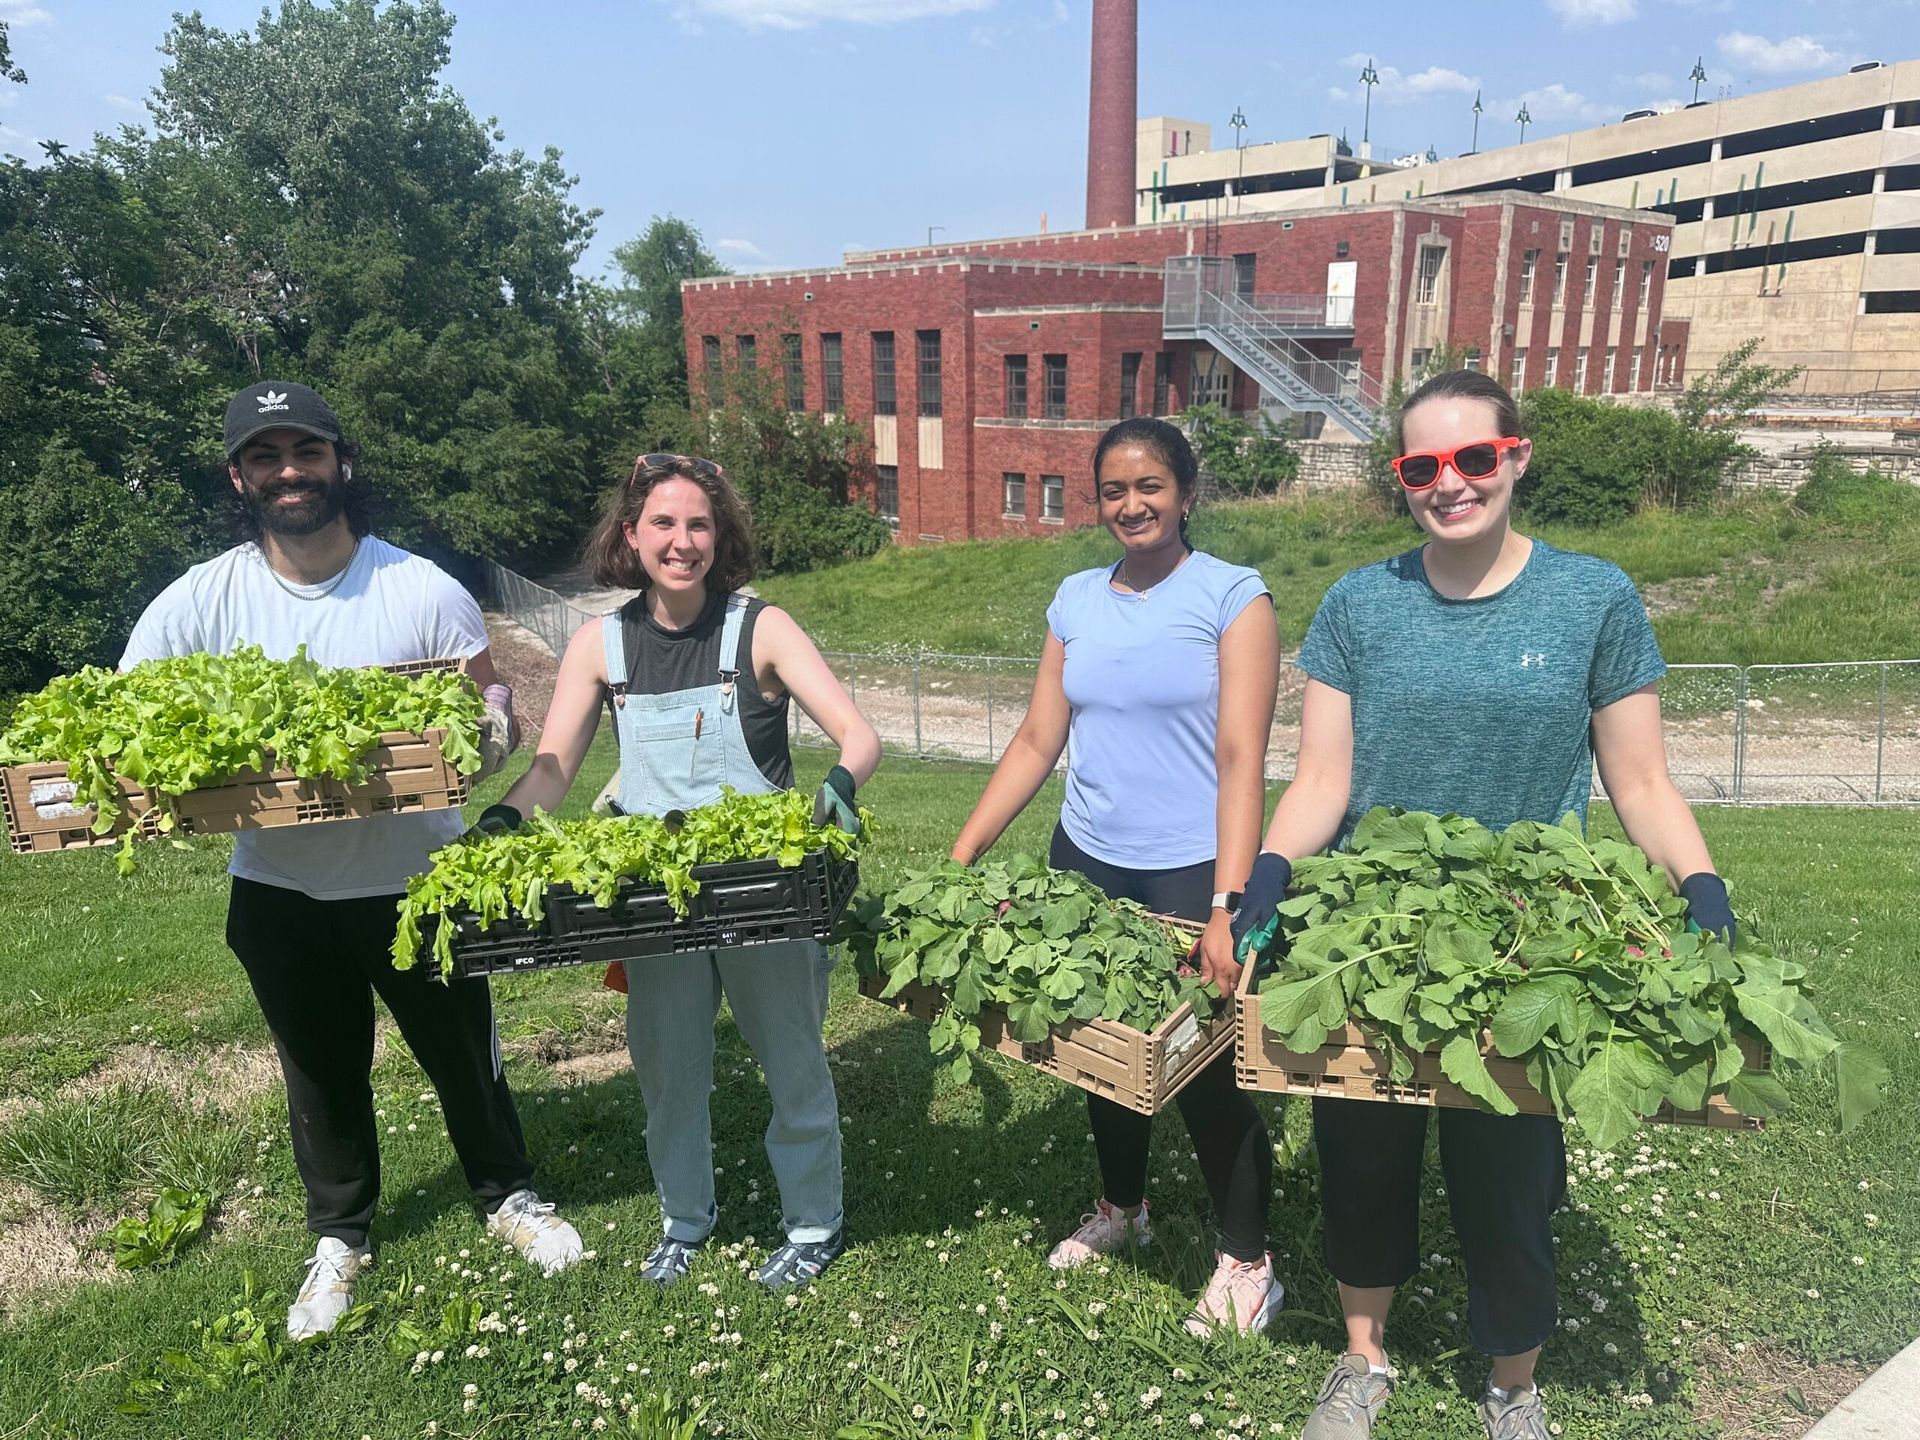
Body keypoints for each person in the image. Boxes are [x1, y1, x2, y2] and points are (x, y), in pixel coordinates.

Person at [1232, 369, 1737, 1440]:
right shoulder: (1362, 604)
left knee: (1510, 1180)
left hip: (1529, 939)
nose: (1448, 484)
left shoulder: (1593, 596)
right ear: (1401, 479)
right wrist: (1270, 874)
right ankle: (1362, 1360)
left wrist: (1701, 885)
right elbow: (1322, 781)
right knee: (1360, 1153)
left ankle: (1514, 1384)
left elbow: (1639, 782)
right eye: (1422, 467)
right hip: (1374, 929)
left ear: (1516, 455)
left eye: (1473, 458)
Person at [121, 380, 583, 1342]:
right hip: (280, 889)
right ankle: (339, 1238)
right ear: (239, 476)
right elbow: (128, 721)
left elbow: (489, 706)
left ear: (340, 463)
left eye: (306, 452)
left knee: (466, 1054)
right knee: (320, 1072)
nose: (289, 472)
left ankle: (508, 1196)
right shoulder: (199, 600)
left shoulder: (418, 587)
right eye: (266, 456)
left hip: (420, 881)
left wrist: (486, 736)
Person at [479, 453, 880, 1290]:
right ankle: (683, 1221)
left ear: (719, 536)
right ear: (630, 535)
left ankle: (813, 1224)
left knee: (793, 1061)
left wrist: (840, 784)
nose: (682, 541)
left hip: (761, 892)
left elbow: (858, 735)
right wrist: (506, 817)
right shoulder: (601, 643)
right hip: (655, 902)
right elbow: (554, 764)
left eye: (699, 524)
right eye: (663, 523)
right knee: (667, 1070)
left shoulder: (759, 629)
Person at [949, 417, 1283, 1337]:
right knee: (1101, 1053)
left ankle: (1249, 1263)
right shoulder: (1075, 600)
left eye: (1151, 487)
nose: (1132, 505)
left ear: (1185, 493)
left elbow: (1240, 756)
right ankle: (1124, 1211)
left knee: (1210, 1069)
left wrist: (1226, 901)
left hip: (1191, 874)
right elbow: (1035, 739)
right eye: (1113, 490)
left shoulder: (1232, 598)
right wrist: (962, 855)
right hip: (1086, 861)